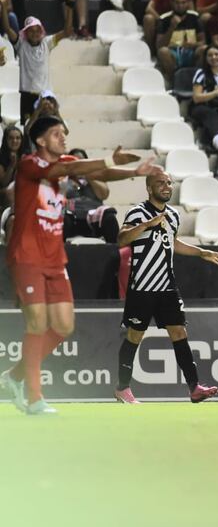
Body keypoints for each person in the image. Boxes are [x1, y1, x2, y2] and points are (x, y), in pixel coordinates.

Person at [0, 115, 161, 414]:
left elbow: (98, 173)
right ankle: (34, 399)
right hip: (27, 255)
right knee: (37, 323)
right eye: (56, 133)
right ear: (40, 140)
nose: (63, 137)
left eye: (64, 132)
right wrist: (106, 159)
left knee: (63, 326)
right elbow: (71, 168)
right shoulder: (29, 165)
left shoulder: (66, 161)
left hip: (54, 256)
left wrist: (132, 172)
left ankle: (13, 376)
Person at [114, 170, 218, 404]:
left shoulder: (173, 215)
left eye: (169, 183)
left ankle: (194, 387)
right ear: (149, 188)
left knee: (179, 332)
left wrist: (200, 251)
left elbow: (173, 242)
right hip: (142, 286)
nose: (166, 187)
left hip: (167, 287)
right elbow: (122, 238)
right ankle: (122, 388)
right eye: (160, 183)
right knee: (135, 336)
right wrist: (147, 224)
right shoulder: (137, 212)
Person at [1, 12, 67, 125]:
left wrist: (69, 7)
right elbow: (7, 28)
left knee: (45, 129)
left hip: (45, 95)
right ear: (26, 33)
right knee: (27, 128)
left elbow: (67, 32)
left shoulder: (47, 43)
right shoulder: (21, 44)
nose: (34, 33)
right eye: (31, 30)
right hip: (27, 95)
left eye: (37, 30)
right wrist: (4, 6)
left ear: (41, 31)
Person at [62, 148, 119, 243]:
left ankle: (117, 252)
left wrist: (88, 176)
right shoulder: (64, 179)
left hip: (94, 219)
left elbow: (104, 195)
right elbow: (58, 197)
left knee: (109, 217)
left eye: (82, 161)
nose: (79, 164)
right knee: (61, 217)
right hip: (72, 218)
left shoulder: (96, 176)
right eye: (75, 161)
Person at [155, 0, 205, 82]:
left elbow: (203, 41)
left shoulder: (194, 17)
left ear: (188, 3)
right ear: (172, 3)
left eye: (183, 2)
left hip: (191, 52)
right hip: (174, 54)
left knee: (203, 49)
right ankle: (175, 82)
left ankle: (196, 81)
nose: (180, 5)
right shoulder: (164, 19)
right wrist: (172, 27)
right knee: (163, 52)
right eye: (177, 2)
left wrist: (192, 45)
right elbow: (159, 46)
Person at [0, 125, 23, 207]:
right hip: (4, 191)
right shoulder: (1, 156)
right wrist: (12, 166)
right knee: (10, 191)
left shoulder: (25, 156)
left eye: (18, 138)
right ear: (5, 140)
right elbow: (4, 183)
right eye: (11, 138)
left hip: (21, 187)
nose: (14, 141)